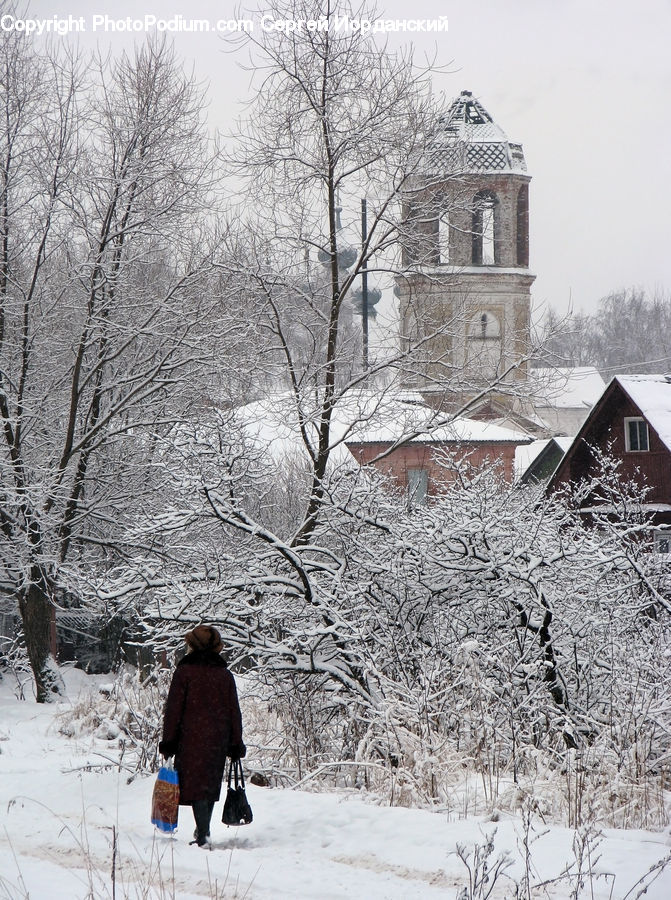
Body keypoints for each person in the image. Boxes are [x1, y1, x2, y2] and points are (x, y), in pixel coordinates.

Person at [158, 624, 245, 847]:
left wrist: (169, 741)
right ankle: (203, 831)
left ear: (192, 645)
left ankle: (203, 833)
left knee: (196, 786)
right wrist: (235, 742)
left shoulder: (184, 673)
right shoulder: (224, 675)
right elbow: (234, 710)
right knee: (209, 785)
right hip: (218, 739)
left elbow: (174, 710)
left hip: (190, 739)